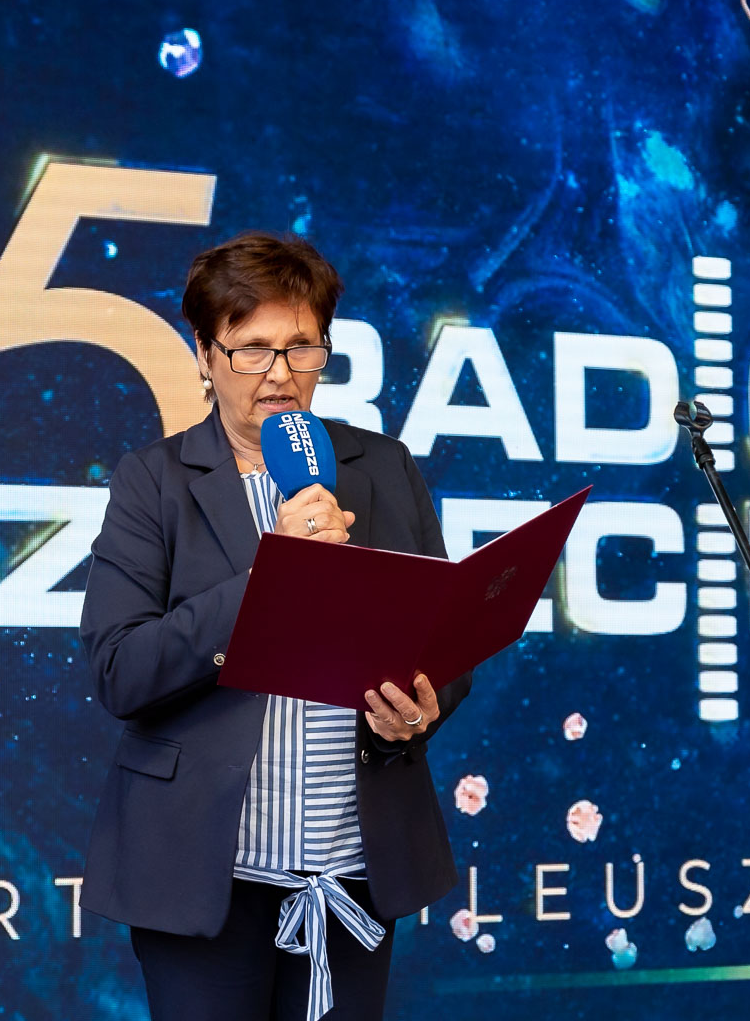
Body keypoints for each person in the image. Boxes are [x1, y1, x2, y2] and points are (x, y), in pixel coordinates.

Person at [79, 232, 470, 1021]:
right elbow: (122, 670)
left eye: (302, 347)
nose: (281, 374)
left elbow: (444, 645)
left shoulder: (383, 469)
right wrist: (269, 574)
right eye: (252, 349)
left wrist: (420, 709)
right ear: (205, 354)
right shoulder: (154, 482)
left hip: (351, 871)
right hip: (205, 878)